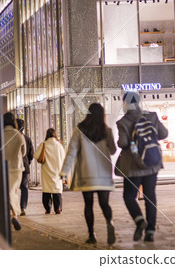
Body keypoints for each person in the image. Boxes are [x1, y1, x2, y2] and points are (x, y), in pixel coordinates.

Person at [60, 103, 117, 245]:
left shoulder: (80, 129)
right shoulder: (106, 130)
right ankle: (110, 223)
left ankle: (92, 235)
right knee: (104, 203)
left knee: (88, 204)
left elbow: (72, 152)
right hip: (104, 175)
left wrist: (64, 172)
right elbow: (113, 151)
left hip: (86, 175)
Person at [116, 90, 168, 243]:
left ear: (125, 103)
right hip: (152, 164)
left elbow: (123, 143)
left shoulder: (123, 122)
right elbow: (163, 134)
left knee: (129, 196)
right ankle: (150, 231)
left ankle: (139, 220)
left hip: (133, 167)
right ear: (138, 102)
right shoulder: (151, 116)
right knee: (150, 196)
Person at [3, 112, 26, 230]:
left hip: (3, 168)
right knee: (13, 191)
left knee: (7, 191)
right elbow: (24, 152)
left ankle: (11, 214)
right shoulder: (18, 135)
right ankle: (14, 214)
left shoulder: (0, 135)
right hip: (17, 168)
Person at [34, 128, 65, 215]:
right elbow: (64, 158)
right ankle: (58, 208)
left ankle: (48, 209)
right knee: (57, 190)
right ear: (55, 135)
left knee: (47, 190)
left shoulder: (44, 144)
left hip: (46, 170)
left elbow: (36, 155)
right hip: (57, 171)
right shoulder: (59, 145)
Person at [16, 118, 34, 216]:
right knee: (24, 187)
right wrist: (27, 162)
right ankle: (23, 207)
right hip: (25, 166)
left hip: (15, 167)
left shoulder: (12, 138)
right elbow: (31, 154)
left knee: (13, 188)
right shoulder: (27, 139)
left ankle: (14, 207)